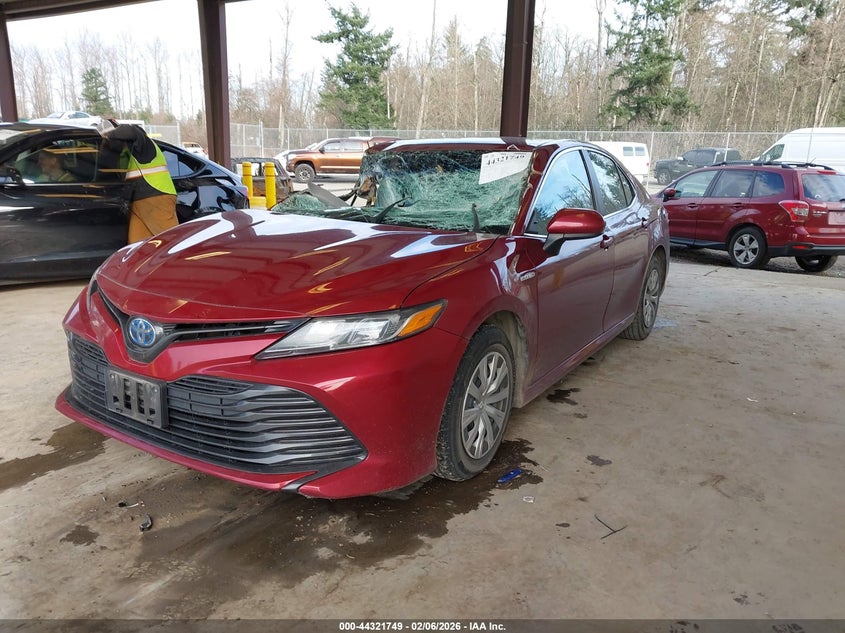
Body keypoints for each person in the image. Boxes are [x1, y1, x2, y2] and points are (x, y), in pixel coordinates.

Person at [97, 118, 178, 243]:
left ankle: (183, 263)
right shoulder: (124, 152)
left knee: (172, 244)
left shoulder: (143, 143)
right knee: (137, 249)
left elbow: (130, 130)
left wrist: (109, 136)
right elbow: (104, 164)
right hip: (138, 202)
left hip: (157, 196)